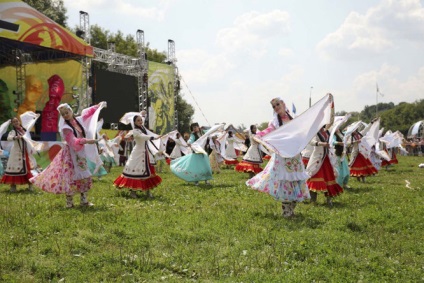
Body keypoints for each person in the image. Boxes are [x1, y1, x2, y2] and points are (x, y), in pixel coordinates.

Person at [30, 102, 106, 207]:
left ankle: (84, 200)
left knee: (84, 175)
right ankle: (69, 202)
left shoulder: (78, 120)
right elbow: (73, 142)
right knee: (70, 177)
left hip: (80, 153)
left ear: (71, 111)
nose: (66, 115)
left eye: (67, 112)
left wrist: (98, 106)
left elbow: (87, 113)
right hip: (70, 155)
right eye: (63, 114)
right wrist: (86, 141)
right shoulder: (65, 128)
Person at [246, 98, 311, 218]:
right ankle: (286, 212)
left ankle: (291, 209)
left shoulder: (293, 118)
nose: (276, 107)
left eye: (277, 104)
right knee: (285, 182)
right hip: (283, 156)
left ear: (283, 104)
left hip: (295, 156)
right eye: (274, 106)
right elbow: (268, 130)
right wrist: (258, 135)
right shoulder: (275, 122)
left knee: (296, 181)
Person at [113, 113, 162, 199]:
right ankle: (133, 192)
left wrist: (142, 114)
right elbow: (143, 137)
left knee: (148, 172)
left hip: (145, 153)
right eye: (138, 120)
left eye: (141, 120)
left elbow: (146, 133)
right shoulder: (136, 131)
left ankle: (148, 191)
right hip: (138, 153)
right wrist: (153, 137)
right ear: (134, 122)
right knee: (135, 171)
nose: (140, 121)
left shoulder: (143, 128)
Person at [306, 126, 344, 207]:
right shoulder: (314, 131)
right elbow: (311, 141)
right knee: (314, 178)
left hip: (327, 158)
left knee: (329, 178)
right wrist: (320, 143)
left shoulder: (327, 132)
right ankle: (313, 201)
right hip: (317, 158)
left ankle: (329, 200)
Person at [1, 115, 39, 192]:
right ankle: (13, 186)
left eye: (17, 121)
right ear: (12, 124)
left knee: (27, 168)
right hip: (15, 153)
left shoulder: (23, 130)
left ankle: (30, 185)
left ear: (19, 122)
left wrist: (35, 117)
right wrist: (15, 137)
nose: (16, 123)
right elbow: (9, 137)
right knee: (14, 168)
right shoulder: (13, 132)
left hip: (24, 152)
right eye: (14, 122)